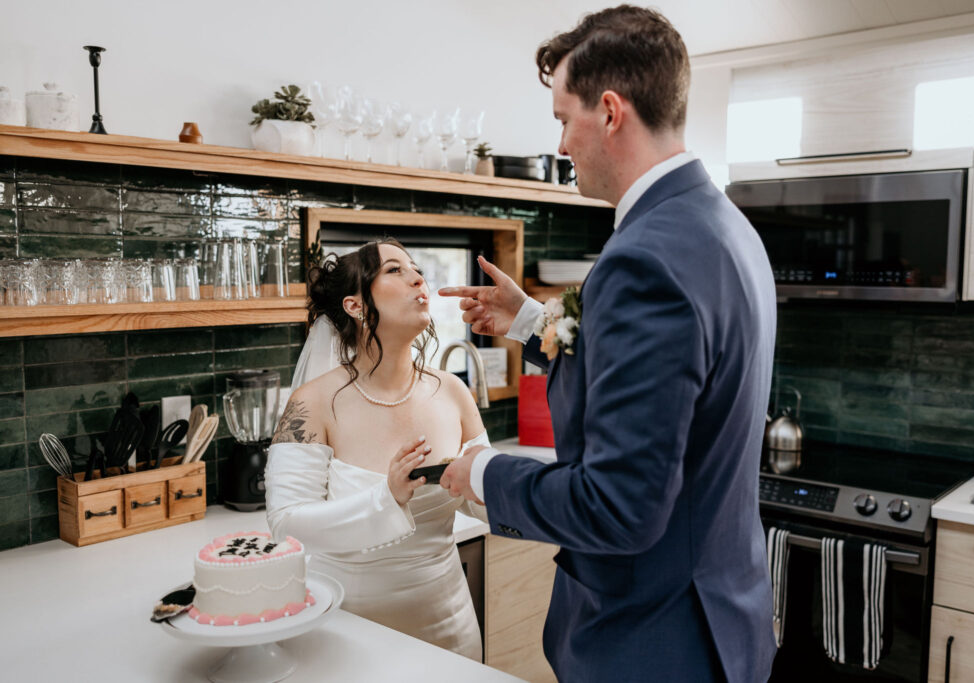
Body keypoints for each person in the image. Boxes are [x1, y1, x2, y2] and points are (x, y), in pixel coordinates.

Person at [438, 6, 777, 681]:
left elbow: (618, 507)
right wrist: (535, 323)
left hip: (656, 639)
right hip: (722, 619)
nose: (561, 143)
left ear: (612, 112)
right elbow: (664, 377)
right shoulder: (724, 227)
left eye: (564, 118)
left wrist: (481, 471)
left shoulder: (643, 256)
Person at [264, 239, 489, 660]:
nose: (417, 278)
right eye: (394, 271)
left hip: (449, 624)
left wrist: (488, 478)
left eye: (416, 268)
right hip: (347, 627)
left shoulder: (453, 393)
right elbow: (285, 524)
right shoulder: (311, 404)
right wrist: (384, 498)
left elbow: (487, 506)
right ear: (356, 306)